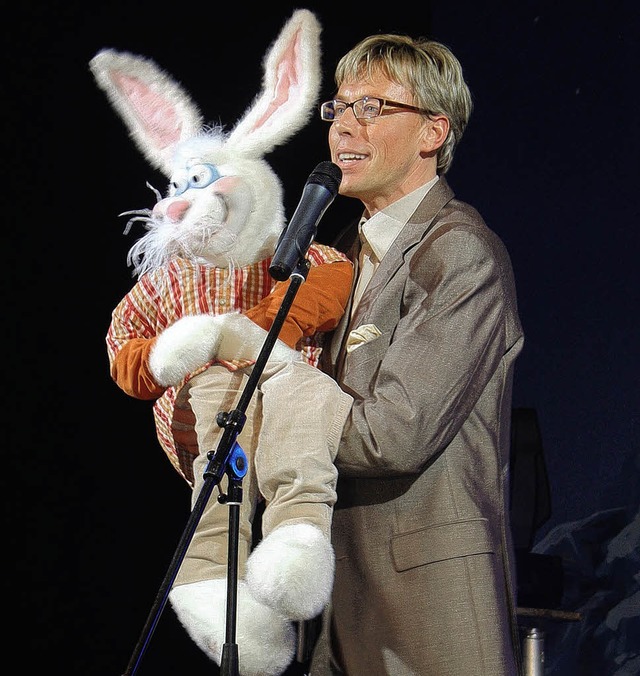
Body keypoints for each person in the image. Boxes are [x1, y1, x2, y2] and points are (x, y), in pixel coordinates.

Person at [306, 32, 525, 676]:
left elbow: (394, 434)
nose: (346, 122)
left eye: (372, 107)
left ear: (433, 131)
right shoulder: (342, 251)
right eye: (339, 106)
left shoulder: (458, 252)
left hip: (425, 608)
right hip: (338, 600)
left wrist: (268, 420)